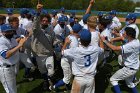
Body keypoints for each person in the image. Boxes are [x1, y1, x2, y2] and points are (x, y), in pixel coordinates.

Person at [31, 3, 61, 91]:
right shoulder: (37, 30)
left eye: (46, 21)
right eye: (43, 20)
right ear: (40, 21)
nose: (45, 22)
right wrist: (38, 12)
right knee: (42, 71)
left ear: (48, 21)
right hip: (39, 54)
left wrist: (59, 43)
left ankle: (50, 79)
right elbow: (35, 24)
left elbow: (54, 39)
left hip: (49, 54)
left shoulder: (50, 29)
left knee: (51, 72)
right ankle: (46, 81)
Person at [101, 27, 139, 93]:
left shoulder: (130, 45)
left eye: (124, 33)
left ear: (129, 35)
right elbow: (124, 39)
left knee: (113, 79)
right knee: (129, 83)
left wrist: (105, 41)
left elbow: (115, 48)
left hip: (128, 68)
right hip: (135, 66)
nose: (123, 34)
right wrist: (113, 39)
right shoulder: (137, 41)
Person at [0, 24, 26, 93]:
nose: (10, 33)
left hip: (13, 67)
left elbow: (21, 50)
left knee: (13, 89)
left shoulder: (12, 39)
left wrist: (22, 44)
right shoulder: (1, 41)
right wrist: (20, 45)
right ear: (2, 32)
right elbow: (6, 55)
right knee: (10, 91)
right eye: (7, 32)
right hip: (5, 69)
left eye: (10, 31)